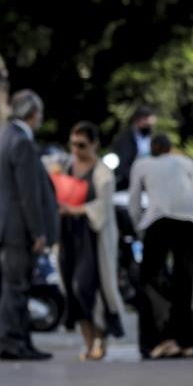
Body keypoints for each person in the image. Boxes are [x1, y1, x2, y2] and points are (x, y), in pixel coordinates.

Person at [0, 90, 59, 361]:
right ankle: (14, 344)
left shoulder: (3, 136)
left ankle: (13, 341)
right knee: (18, 288)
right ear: (33, 114)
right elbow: (28, 193)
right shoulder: (21, 142)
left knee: (11, 288)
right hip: (17, 230)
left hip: (1, 226)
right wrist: (38, 232)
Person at [129, 134, 193, 359]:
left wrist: (138, 227)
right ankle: (186, 340)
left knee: (150, 280)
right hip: (189, 222)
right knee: (185, 280)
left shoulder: (142, 164)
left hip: (159, 220)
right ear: (170, 148)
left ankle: (155, 340)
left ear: (152, 148)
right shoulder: (186, 162)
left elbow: (134, 202)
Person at [58, 122, 127, 361]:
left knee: (86, 287)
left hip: (92, 238)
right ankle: (88, 342)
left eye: (82, 145)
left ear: (94, 144)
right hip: (69, 237)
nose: (76, 149)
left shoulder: (102, 173)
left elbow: (103, 208)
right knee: (72, 288)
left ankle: (100, 339)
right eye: (73, 144)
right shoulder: (66, 166)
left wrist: (74, 210)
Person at [110, 106, 158, 190]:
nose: (149, 127)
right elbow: (123, 164)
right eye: (147, 124)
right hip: (127, 182)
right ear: (138, 120)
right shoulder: (125, 138)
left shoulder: (151, 137)